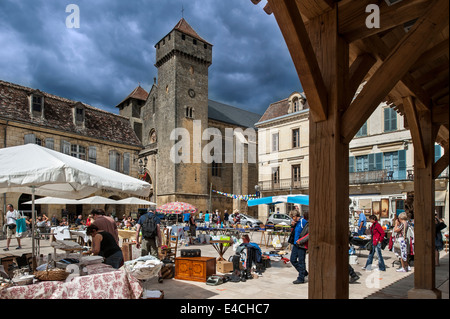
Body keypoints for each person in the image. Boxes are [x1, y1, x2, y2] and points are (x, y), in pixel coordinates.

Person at [135, 208, 163, 282]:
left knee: (144, 258)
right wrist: (160, 241)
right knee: (156, 258)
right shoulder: (156, 218)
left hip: (145, 239)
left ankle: (143, 276)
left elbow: (137, 230)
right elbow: (158, 230)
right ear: (154, 211)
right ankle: (160, 276)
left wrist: (137, 241)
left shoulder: (142, 217)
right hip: (153, 240)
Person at [290, 211, 309, 284]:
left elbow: (308, 233)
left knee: (301, 262)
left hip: (301, 245)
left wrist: (301, 241)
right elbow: (295, 232)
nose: (292, 219)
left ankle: (301, 278)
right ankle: (304, 273)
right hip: (295, 244)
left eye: (292, 217)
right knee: (293, 260)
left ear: (295, 216)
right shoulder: (296, 223)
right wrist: (292, 226)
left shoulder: (303, 221)